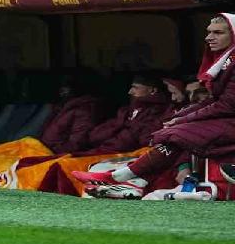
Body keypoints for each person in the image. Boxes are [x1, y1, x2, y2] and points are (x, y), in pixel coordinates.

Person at [73, 15, 235, 199]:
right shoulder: (227, 61)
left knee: (175, 133)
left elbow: (226, 105)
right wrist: (180, 117)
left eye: (218, 33)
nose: (209, 38)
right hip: (225, 121)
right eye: (209, 32)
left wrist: (183, 119)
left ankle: (124, 179)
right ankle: (129, 180)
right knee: (172, 131)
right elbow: (213, 101)